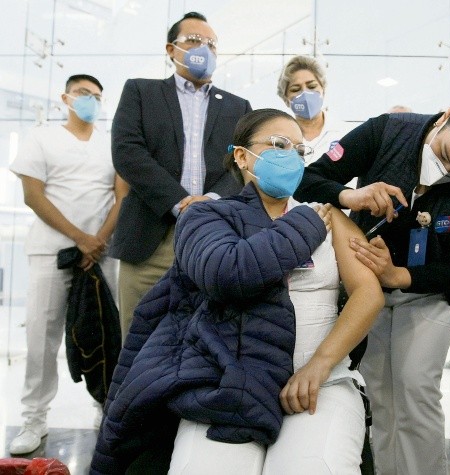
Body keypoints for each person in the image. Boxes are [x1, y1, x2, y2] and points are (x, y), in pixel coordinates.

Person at [91, 109, 384, 474]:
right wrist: (301, 228)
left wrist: (320, 365)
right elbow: (225, 273)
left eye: (299, 150)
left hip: (320, 383)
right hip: (226, 382)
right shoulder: (209, 216)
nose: (291, 156)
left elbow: (368, 293)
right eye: (279, 144)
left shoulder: (327, 215)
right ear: (243, 157)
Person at [294, 92, 450, 475]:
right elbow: (306, 181)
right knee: (380, 394)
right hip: (368, 292)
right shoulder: (387, 132)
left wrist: (398, 275)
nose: (444, 171)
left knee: (415, 389)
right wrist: (350, 195)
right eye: (443, 154)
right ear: (447, 116)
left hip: (432, 294)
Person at [110, 11, 252, 339]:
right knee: (137, 342)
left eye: (211, 44)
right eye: (194, 40)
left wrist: (210, 201)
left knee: (205, 341)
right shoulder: (140, 92)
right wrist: (180, 202)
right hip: (149, 239)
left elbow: (242, 164)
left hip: (212, 237)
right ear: (171, 49)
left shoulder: (238, 107)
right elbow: (127, 152)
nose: (204, 48)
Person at [8, 74, 126, 455]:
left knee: (105, 332)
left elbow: (121, 196)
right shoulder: (42, 138)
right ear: (65, 98)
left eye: (97, 96)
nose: (91, 100)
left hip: (101, 254)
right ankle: (33, 418)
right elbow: (33, 195)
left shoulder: (110, 145)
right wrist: (80, 237)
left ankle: (104, 405)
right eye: (83, 93)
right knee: (41, 336)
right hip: (51, 251)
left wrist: (97, 240)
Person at [277, 55, 356, 166]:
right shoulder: (279, 140)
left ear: (323, 89)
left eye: (312, 86)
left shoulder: (347, 133)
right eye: (296, 89)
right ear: (286, 99)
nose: (305, 93)